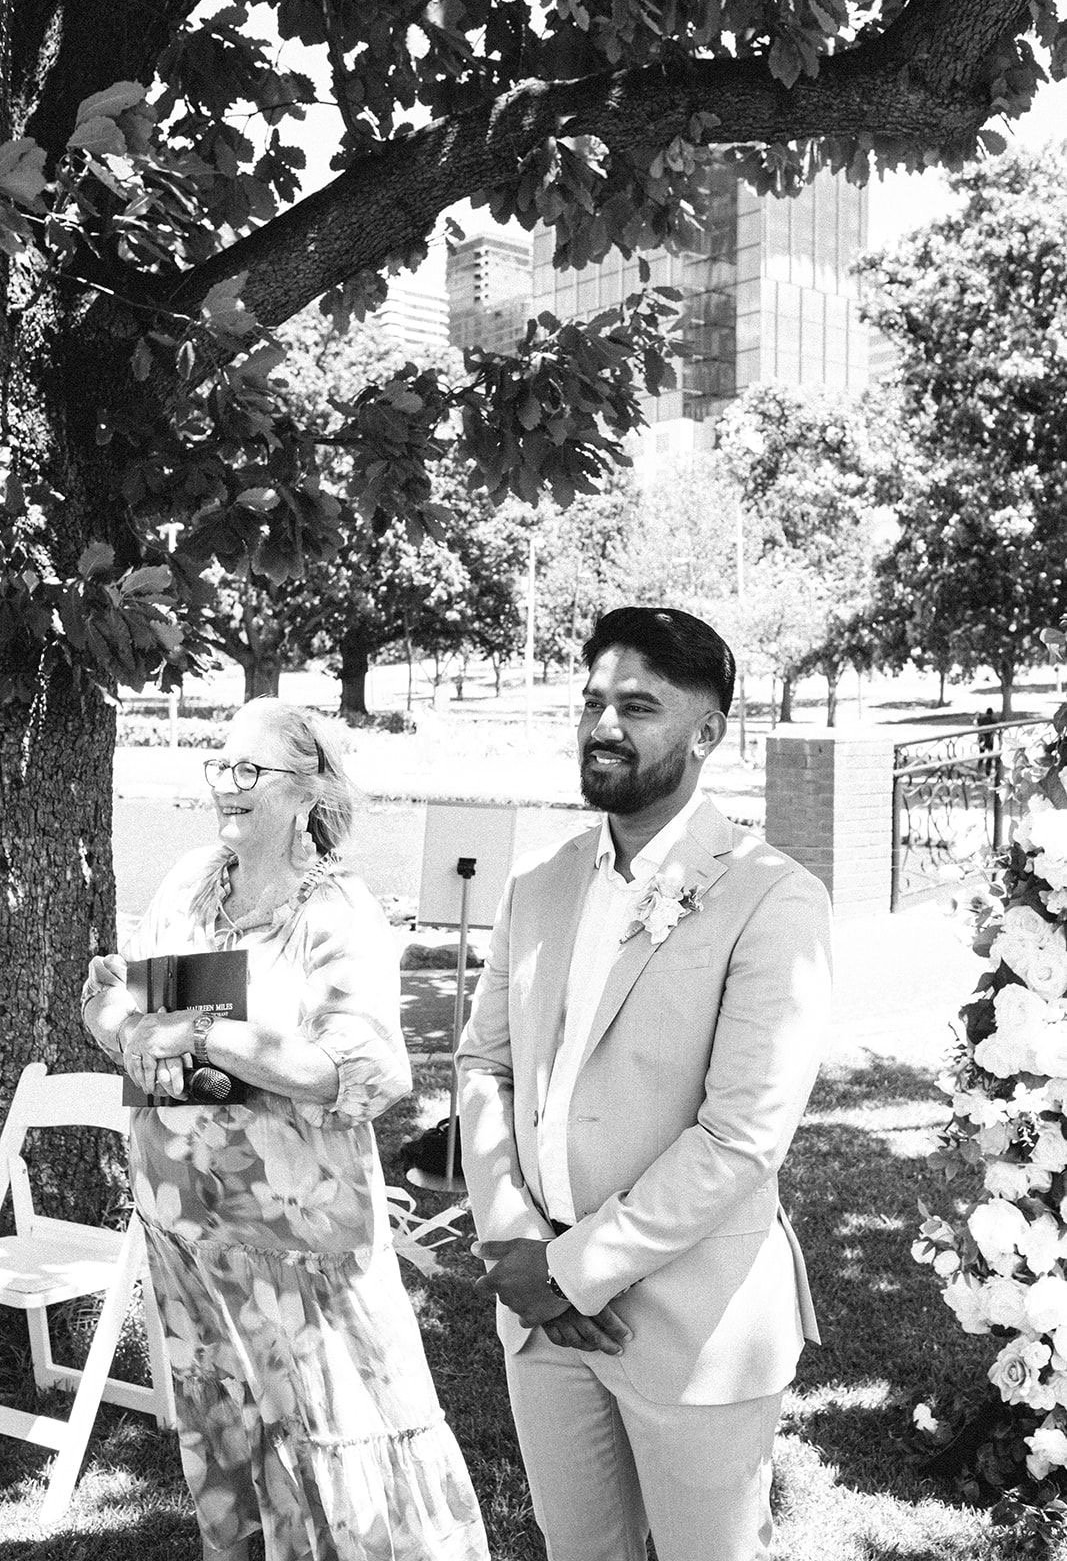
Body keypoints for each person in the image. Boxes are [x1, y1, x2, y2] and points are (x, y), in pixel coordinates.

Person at [457, 607, 832, 1561]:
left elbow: (742, 1135)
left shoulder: (771, 896)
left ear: (707, 733)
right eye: (590, 703)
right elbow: (484, 1065)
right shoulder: (536, 883)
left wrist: (573, 1269)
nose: (603, 727)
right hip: (538, 1319)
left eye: (637, 705)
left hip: (692, 1326)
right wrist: (511, 1233)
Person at [82, 698, 488, 1561]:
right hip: (184, 1232)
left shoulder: (333, 912)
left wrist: (197, 1029)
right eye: (218, 765)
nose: (224, 788)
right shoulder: (193, 880)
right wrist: (126, 1026)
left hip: (296, 1249)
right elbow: (131, 1011)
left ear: (307, 791)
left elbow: (364, 1073)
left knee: (332, 1449)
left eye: (247, 771)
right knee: (227, 1443)